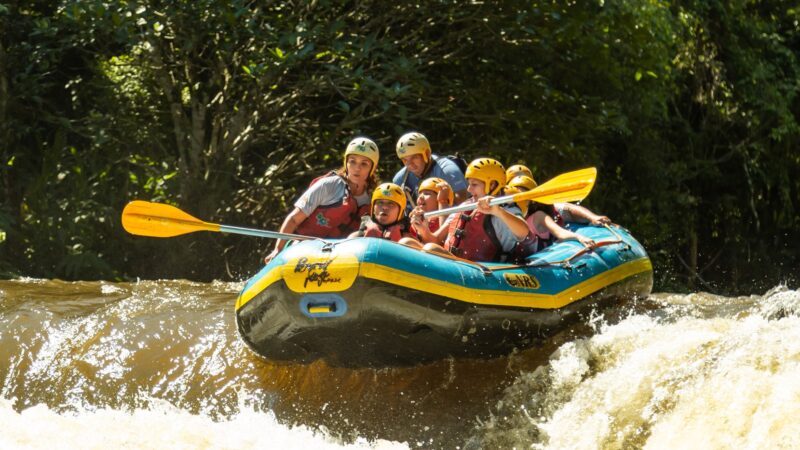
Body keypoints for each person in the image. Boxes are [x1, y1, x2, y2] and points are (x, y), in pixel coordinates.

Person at [264, 137, 379, 263]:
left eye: (364, 164)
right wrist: (278, 249)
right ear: (346, 162)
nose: (357, 168)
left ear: (372, 168)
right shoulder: (327, 185)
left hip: (338, 254)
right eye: (352, 161)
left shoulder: (373, 199)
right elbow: (294, 219)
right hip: (303, 245)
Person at [407, 158, 532, 262]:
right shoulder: (466, 205)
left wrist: (498, 212)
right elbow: (436, 239)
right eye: (469, 184)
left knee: (430, 249)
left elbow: (524, 233)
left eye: (474, 185)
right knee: (407, 243)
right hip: (455, 265)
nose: (469, 190)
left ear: (492, 184)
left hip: (481, 272)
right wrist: (423, 229)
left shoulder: (505, 209)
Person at [506, 175, 609, 252]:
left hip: (544, 262)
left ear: (532, 200)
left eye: (522, 195)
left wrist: (579, 237)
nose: (519, 199)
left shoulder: (538, 216)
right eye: (515, 194)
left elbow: (559, 232)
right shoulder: (506, 217)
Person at [392, 132, 468, 207]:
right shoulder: (400, 180)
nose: (409, 164)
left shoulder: (448, 170)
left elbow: (462, 202)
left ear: (427, 154)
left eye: (414, 157)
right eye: (405, 160)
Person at [349, 183, 414, 242]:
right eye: (380, 203)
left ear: (400, 212)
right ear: (373, 209)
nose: (384, 207)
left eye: (391, 204)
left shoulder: (410, 242)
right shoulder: (355, 238)